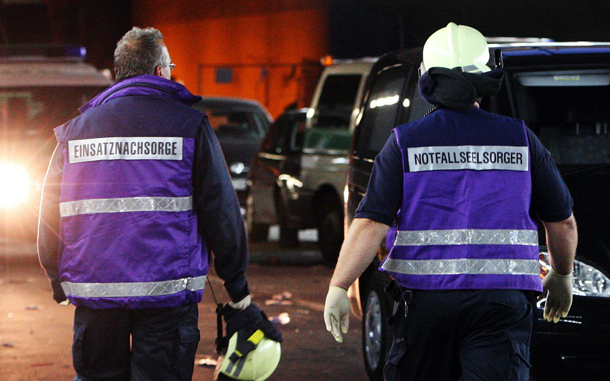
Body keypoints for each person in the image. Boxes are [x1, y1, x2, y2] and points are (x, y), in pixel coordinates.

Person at [324, 22, 578, 380]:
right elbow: (562, 221)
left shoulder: (404, 143)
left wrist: (339, 284)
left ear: (428, 79)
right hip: (501, 304)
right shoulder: (521, 140)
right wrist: (561, 274)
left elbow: (370, 223)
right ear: (488, 77)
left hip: (426, 307)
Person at [38, 26, 252, 381]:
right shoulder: (189, 126)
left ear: (121, 72)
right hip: (167, 297)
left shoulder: (76, 132)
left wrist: (57, 278)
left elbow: (49, 212)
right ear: (159, 71)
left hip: (96, 297)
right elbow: (221, 212)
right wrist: (237, 287)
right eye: (170, 66)